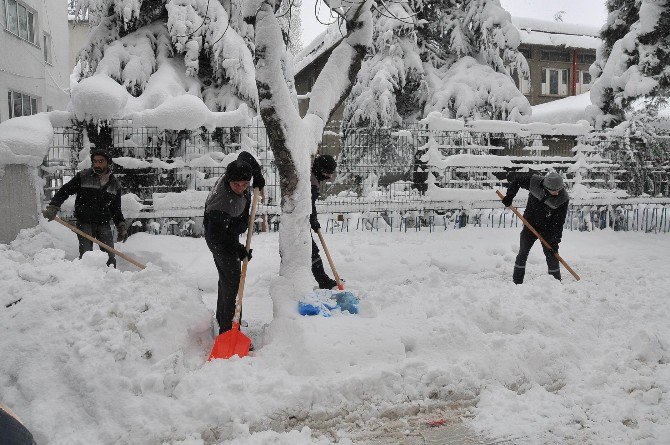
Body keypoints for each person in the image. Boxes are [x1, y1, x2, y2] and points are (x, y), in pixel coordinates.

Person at [204, 151, 264, 335]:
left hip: (229, 230)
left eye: (245, 184)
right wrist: (238, 249)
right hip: (219, 239)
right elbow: (217, 237)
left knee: (227, 279)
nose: (241, 187)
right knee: (233, 282)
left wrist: (258, 176)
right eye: (236, 184)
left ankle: (224, 317)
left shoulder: (237, 172)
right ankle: (228, 330)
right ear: (228, 180)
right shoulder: (221, 204)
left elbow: (245, 155)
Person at [42, 149, 126, 267]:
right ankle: (86, 280)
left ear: (108, 163)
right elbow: (65, 191)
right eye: (95, 161)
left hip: (103, 223)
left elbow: (116, 208)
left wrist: (121, 225)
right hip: (84, 222)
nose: (97, 164)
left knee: (110, 256)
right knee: (86, 255)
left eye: (101, 161)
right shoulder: (83, 176)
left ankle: (110, 279)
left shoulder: (114, 184)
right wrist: (53, 206)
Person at [498, 170, 569, 284]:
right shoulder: (534, 181)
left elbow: (559, 222)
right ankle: (517, 282)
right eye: (553, 191)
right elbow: (517, 181)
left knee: (552, 255)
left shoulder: (562, 199)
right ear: (546, 186)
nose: (556, 193)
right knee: (523, 252)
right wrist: (509, 196)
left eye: (558, 190)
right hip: (529, 224)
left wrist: (554, 241)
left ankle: (555, 283)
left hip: (548, 229)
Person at [310, 154, 339, 290]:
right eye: (327, 174)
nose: (329, 177)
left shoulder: (312, 174)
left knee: (310, 251)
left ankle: (322, 280)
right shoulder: (310, 182)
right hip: (297, 219)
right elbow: (309, 205)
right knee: (312, 251)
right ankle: (323, 281)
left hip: (301, 218)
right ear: (319, 169)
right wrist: (313, 219)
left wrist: (313, 219)